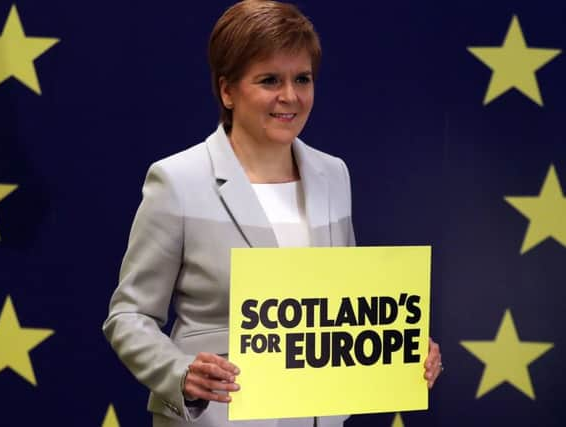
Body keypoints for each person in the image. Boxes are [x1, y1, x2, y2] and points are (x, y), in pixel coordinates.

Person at [103, 1, 443, 426]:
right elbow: (129, 316)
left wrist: (402, 347)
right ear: (227, 90)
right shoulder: (177, 181)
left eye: (302, 78)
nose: (290, 96)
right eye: (269, 80)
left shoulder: (333, 174)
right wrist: (179, 372)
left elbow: (347, 308)